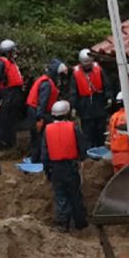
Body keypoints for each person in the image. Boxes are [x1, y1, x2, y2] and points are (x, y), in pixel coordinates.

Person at [40, 98, 88, 231]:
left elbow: (44, 152)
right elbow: (81, 145)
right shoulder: (73, 127)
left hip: (55, 167)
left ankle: (63, 223)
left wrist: (47, 169)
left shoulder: (47, 130)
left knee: (60, 195)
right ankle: (80, 222)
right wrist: (82, 158)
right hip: (71, 166)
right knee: (75, 193)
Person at [21, 60, 63, 171]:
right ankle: (37, 160)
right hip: (37, 112)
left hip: (34, 110)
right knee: (39, 137)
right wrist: (39, 119)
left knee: (36, 137)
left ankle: (35, 158)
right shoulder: (47, 84)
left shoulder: (44, 80)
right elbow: (42, 102)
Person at [0, 39, 24, 154]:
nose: (14, 52)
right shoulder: (1, 63)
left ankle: (11, 144)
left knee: (12, 121)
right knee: (4, 121)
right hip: (6, 94)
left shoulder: (11, 62)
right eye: (12, 50)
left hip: (14, 95)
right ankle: (3, 145)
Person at [71, 49, 108, 151]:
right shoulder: (76, 73)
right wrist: (73, 106)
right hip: (85, 105)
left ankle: (101, 149)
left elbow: (106, 84)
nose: (87, 66)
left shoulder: (98, 69)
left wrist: (109, 97)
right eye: (85, 64)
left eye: (89, 64)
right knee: (87, 131)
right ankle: (90, 151)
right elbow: (73, 91)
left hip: (98, 102)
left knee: (100, 129)